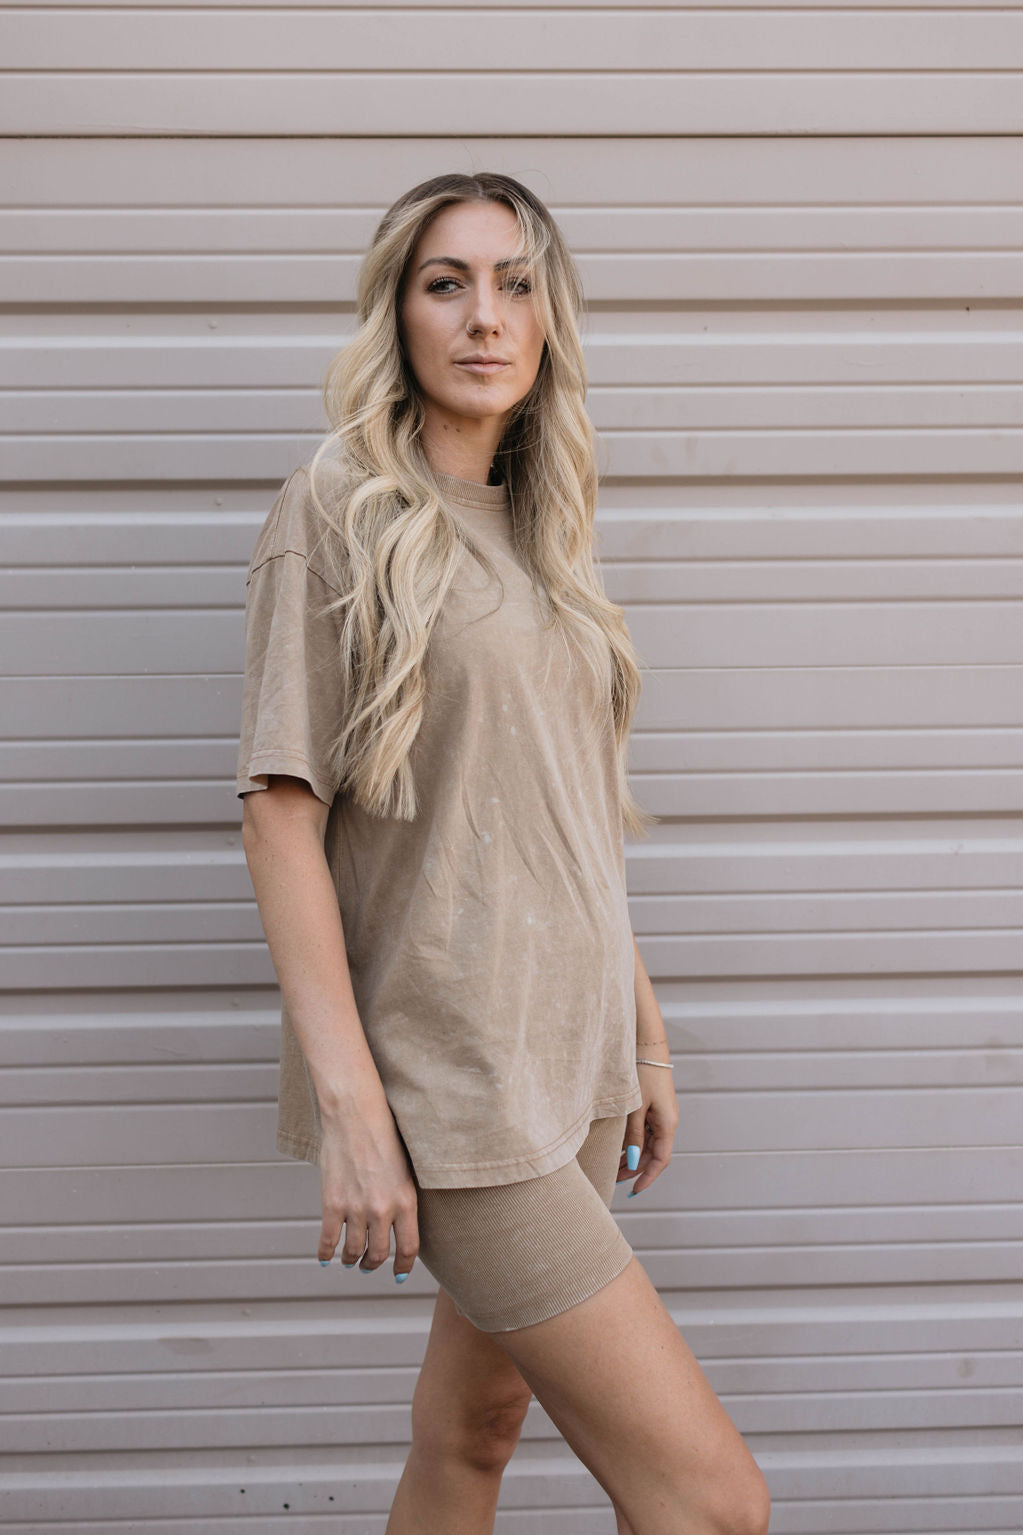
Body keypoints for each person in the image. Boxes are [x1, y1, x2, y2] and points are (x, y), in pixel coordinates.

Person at [236, 171, 770, 1535]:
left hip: (571, 1054)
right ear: (397, 315)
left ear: (549, 321)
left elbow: (568, 813)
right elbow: (280, 809)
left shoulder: (546, 529)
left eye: (516, 283)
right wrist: (356, 1107)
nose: (486, 316)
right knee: (713, 1504)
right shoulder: (340, 507)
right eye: (447, 282)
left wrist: (638, 1033)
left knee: (472, 1435)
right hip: (457, 1074)